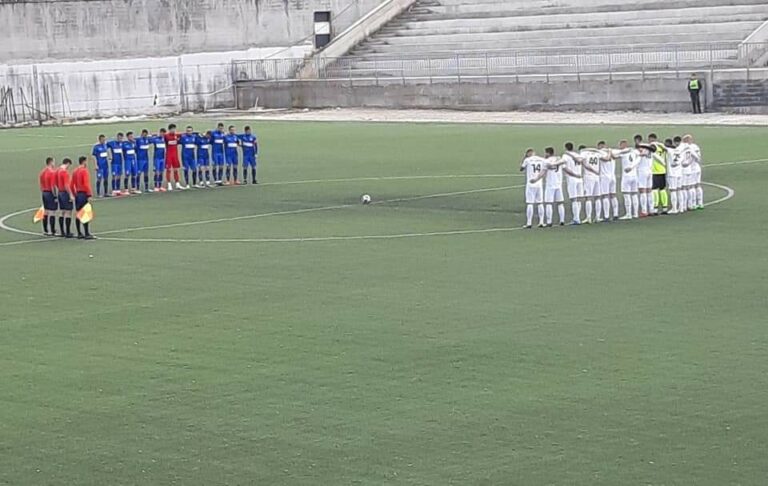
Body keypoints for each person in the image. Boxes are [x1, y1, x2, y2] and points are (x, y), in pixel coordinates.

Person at [520, 148, 546, 229]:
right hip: (539, 183)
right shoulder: (541, 159)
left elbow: (521, 168)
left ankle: (529, 223)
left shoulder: (527, 160)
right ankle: (541, 222)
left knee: (530, 203)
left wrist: (524, 158)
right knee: (540, 203)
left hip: (531, 183)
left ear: (528, 154)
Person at [579, 144, 605, 224]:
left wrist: (592, 170)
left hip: (589, 176)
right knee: (597, 197)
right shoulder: (596, 154)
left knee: (588, 197)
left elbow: (584, 163)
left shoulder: (583, 154)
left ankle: (589, 217)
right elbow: (604, 155)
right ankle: (598, 217)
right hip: (597, 177)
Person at [71, 156, 94, 239]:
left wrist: (74, 194)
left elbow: (71, 184)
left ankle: (79, 233)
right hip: (83, 194)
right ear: (84, 162)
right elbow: (86, 184)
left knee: (78, 213)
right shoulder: (84, 171)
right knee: (85, 213)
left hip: (77, 194)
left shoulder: (75, 171)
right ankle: (86, 233)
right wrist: (89, 194)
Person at [562, 142, 584, 225]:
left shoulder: (565, 156)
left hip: (572, 179)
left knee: (574, 199)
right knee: (578, 199)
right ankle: (577, 217)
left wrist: (574, 174)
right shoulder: (577, 155)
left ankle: (576, 219)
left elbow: (565, 168)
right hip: (579, 178)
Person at [618, 140, 640, 220]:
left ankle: (628, 214)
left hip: (626, 176)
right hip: (634, 176)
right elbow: (639, 158)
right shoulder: (635, 151)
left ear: (623, 145)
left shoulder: (623, 152)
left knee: (626, 194)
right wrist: (632, 167)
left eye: (620, 145)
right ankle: (635, 213)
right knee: (634, 194)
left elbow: (615, 154)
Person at [39, 157, 58, 236]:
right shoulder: (52, 172)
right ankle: (53, 230)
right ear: (51, 162)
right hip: (50, 193)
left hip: (44, 192)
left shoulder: (42, 172)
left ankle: (45, 230)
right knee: (52, 212)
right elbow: (53, 186)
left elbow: (41, 184)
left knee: (46, 211)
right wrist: (55, 196)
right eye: (53, 162)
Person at [635, 134, 653, 217]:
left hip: (642, 171)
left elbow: (640, 155)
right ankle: (651, 209)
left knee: (642, 191)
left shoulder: (641, 147)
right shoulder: (649, 147)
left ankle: (644, 211)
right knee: (649, 191)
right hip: (649, 170)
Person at [56, 158, 74, 237]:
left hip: (60, 192)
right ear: (68, 163)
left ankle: (62, 231)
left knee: (62, 211)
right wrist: (70, 194)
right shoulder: (64, 172)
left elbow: (55, 182)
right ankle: (67, 231)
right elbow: (66, 185)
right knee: (68, 212)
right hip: (65, 193)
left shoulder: (57, 171)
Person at [666, 137, 684, 214]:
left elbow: (663, 147)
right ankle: (681, 207)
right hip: (680, 173)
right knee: (679, 190)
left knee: (673, 191)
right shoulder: (681, 151)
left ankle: (674, 208)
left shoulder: (669, 151)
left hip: (672, 173)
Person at [164, 123, 183, 191]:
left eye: (174, 129)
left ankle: (177, 184)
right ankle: (169, 184)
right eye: (172, 129)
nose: (174, 130)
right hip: (169, 155)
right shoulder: (166, 136)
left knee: (175, 169)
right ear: (169, 130)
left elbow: (184, 134)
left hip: (175, 155)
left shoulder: (177, 135)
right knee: (168, 170)